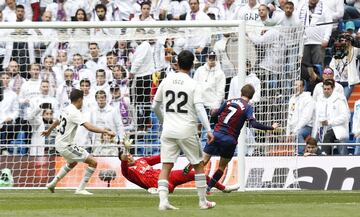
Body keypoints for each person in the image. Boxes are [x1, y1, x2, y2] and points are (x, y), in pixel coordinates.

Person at [184, 84, 279, 193]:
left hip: (216, 135)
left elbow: (214, 114)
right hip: (229, 140)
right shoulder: (247, 107)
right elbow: (254, 124)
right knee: (222, 166)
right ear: (251, 96)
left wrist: (216, 127)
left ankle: (192, 164)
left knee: (204, 161)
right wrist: (271, 127)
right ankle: (208, 188)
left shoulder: (229, 101)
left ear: (241, 92)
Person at [152, 50, 216, 210]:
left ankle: (163, 201)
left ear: (177, 63)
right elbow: (200, 108)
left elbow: (155, 106)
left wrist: (163, 121)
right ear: (193, 65)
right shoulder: (193, 84)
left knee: (166, 166)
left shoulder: (166, 81)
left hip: (168, 130)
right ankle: (202, 202)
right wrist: (208, 129)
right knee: (198, 164)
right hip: (187, 129)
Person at [41, 89, 116, 195]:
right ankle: (80, 189)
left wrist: (48, 130)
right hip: (66, 145)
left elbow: (58, 120)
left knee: (72, 163)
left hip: (59, 142)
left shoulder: (67, 108)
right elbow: (88, 126)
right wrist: (105, 131)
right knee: (93, 163)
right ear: (80, 100)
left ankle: (52, 183)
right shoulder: (75, 112)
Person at [118, 149, 239, 194]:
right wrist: (123, 156)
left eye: (129, 155)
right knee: (168, 189)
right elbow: (123, 165)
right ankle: (157, 189)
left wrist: (174, 149)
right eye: (126, 157)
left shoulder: (142, 160)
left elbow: (158, 158)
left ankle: (224, 188)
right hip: (158, 182)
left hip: (168, 175)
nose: (129, 157)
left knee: (197, 174)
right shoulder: (128, 172)